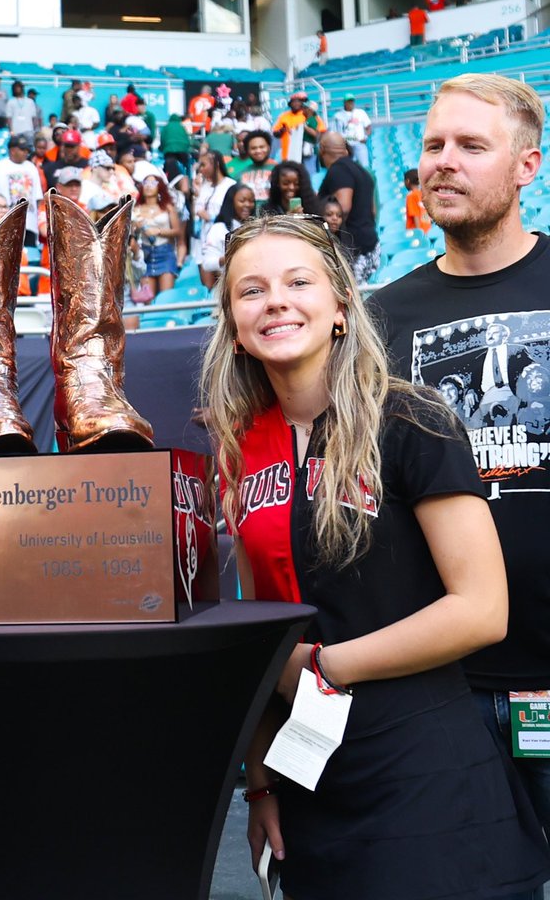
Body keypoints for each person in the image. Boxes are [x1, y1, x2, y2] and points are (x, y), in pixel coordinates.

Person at [202, 213, 550, 900]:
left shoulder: (413, 419)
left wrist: (325, 667)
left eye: (298, 282)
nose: (275, 301)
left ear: (340, 307)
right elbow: (265, 630)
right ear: (234, 326)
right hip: (312, 776)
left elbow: (482, 609)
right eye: (252, 290)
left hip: (423, 770)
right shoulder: (240, 449)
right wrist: (262, 782)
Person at [374, 74, 550, 871]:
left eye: (472, 146)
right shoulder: (380, 317)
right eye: (433, 145)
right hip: (442, 692)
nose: (444, 161)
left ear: (526, 166)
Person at [317, 131, 379, 284]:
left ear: (322, 149)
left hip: (352, 250)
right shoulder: (362, 171)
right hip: (369, 245)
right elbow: (373, 211)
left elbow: (343, 207)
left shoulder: (338, 170)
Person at [0, 134, 43, 250]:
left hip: (29, 224)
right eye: (23, 150)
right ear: (12, 150)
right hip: (6, 224)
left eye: (27, 150)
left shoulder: (31, 167)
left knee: (29, 255)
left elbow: (38, 198)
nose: (26, 153)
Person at [130, 174, 183, 299]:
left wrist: (158, 231)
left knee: (166, 298)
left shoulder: (168, 207)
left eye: (153, 183)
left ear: (160, 187)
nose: (148, 186)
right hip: (145, 254)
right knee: (148, 298)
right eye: (146, 183)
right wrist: (136, 227)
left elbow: (177, 231)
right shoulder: (136, 209)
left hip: (165, 252)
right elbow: (131, 235)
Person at [200, 182, 254, 285]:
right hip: (229, 283)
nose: (247, 205)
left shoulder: (255, 227)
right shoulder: (219, 228)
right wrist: (229, 258)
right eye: (242, 201)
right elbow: (207, 263)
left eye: (251, 201)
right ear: (231, 202)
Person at [234, 130, 276, 211]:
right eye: (253, 148)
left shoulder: (278, 171)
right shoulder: (239, 174)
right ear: (247, 150)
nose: (258, 151)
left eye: (262, 147)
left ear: (269, 148)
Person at [331, 95, 371, 168]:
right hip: (346, 145)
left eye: (352, 101)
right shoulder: (338, 116)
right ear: (344, 103)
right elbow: (334, 132)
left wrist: (366, 137)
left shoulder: (360, 113)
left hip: (359, 143)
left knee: (364, 167)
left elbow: (368, 127)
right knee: (348, 168)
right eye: (349, 101)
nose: (351, 103)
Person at [272, 92, 310, 163]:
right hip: (287, 155)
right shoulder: (283, 116)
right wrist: (281, 130)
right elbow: (275, 133)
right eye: (294, 102)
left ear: (302, 103)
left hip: (305, 154)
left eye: (298, 101)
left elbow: (318, 132)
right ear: (290, 104)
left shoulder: (307, 115)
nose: (296, 104)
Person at [404, 166, 431, 234]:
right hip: (427, 230)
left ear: (407, 181)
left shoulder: (411, 196)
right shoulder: (423, 193)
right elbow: (425, 214)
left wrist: (419, 233)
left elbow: (415, 216)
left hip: (416, 233)